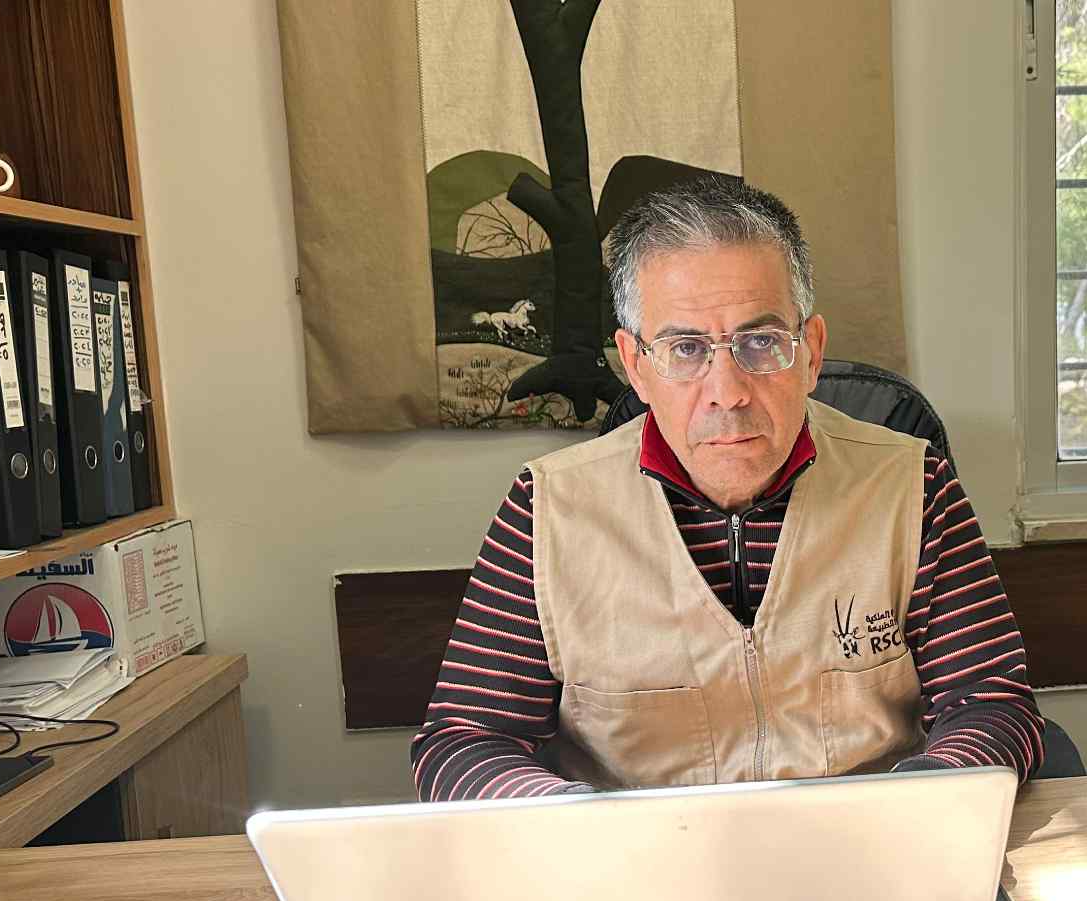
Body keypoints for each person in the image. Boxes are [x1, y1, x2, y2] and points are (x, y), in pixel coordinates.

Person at [412, 177, 1044, 799]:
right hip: (638, 857)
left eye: (761, 342)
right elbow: (464, 740)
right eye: (685, 349)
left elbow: (992, 703)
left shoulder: (915, 487)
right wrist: (573, 821)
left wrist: (921, 802)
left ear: (811, 352)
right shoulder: (546, 512)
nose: (728, 392)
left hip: (870, 844)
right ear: (636, 366)